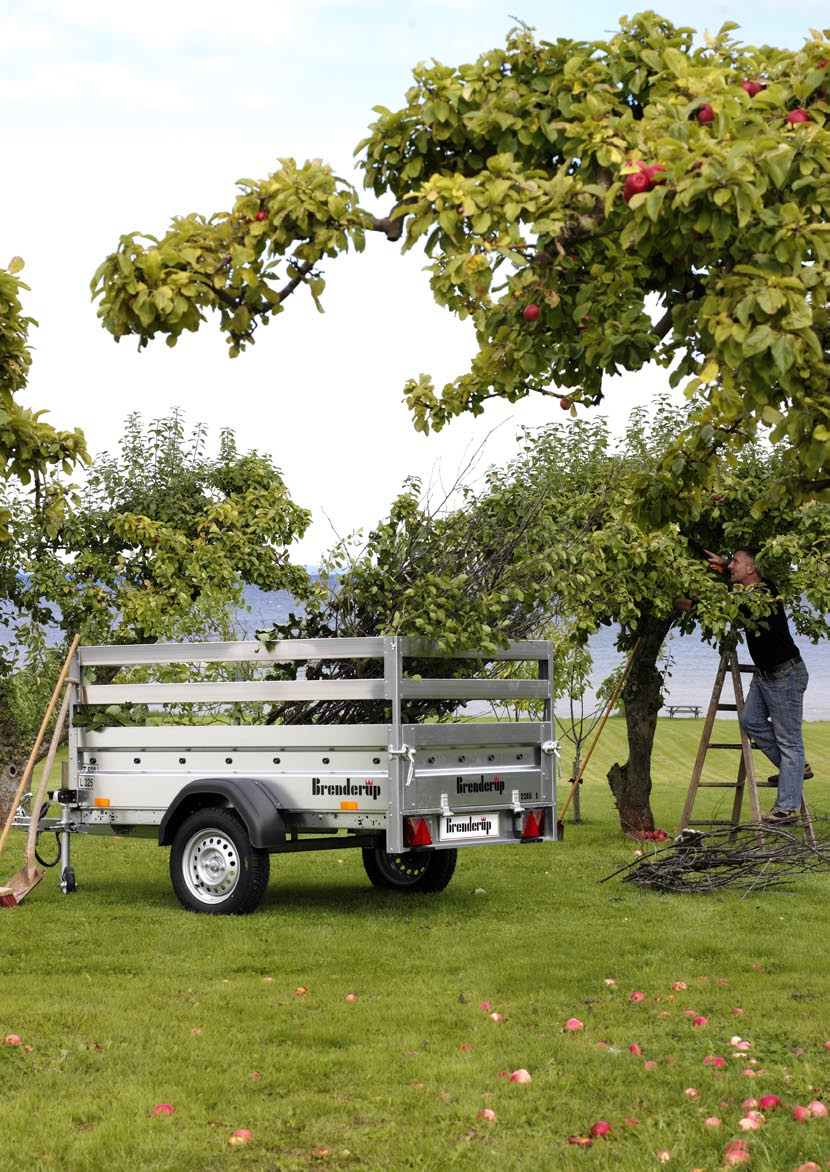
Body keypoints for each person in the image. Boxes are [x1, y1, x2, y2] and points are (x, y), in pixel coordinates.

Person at [703, 547, 810, 825]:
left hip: (784, 674)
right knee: (750, 720)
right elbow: (739, 569)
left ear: (750, 569)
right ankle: (796, 770)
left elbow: (720, 608)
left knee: (789, 741)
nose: (730, 568)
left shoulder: (764, 594)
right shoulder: (750, 592)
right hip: (765, 675)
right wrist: (725, 561)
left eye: (735, 563)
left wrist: (688, 603)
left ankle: (786, 807)